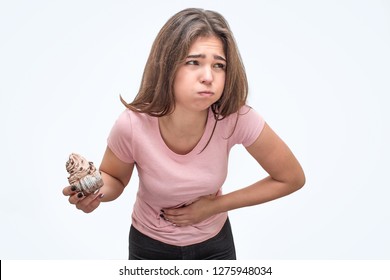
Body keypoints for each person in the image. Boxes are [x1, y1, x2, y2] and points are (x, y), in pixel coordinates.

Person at [62, 8, 305, 260]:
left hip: (216, 246)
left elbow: (291, 178)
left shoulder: (235, 118)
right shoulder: (132, 124)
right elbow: (115, 178)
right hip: (149, 247)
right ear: (167, 65)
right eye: (194, 62)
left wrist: (214, 207)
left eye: (219, 65)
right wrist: (95, 194)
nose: (208, 77)